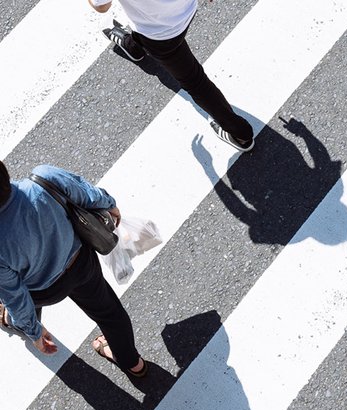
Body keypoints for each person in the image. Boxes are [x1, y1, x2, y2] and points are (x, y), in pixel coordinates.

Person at [0, 162, 147, 377]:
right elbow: (89, 195)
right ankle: (133, 363)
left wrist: (35, 333)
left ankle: (15, 321)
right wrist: (111, 206)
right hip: (81, 262)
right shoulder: (44, 178)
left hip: (43, 290)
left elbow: (15, 295)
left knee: (19, 303)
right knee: (109, 313)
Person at [87, 0, 255, 152]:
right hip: (186, 8)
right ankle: (133, 46)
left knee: (196, 83)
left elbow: (101, 6)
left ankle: (240, 134)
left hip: (161, 34)